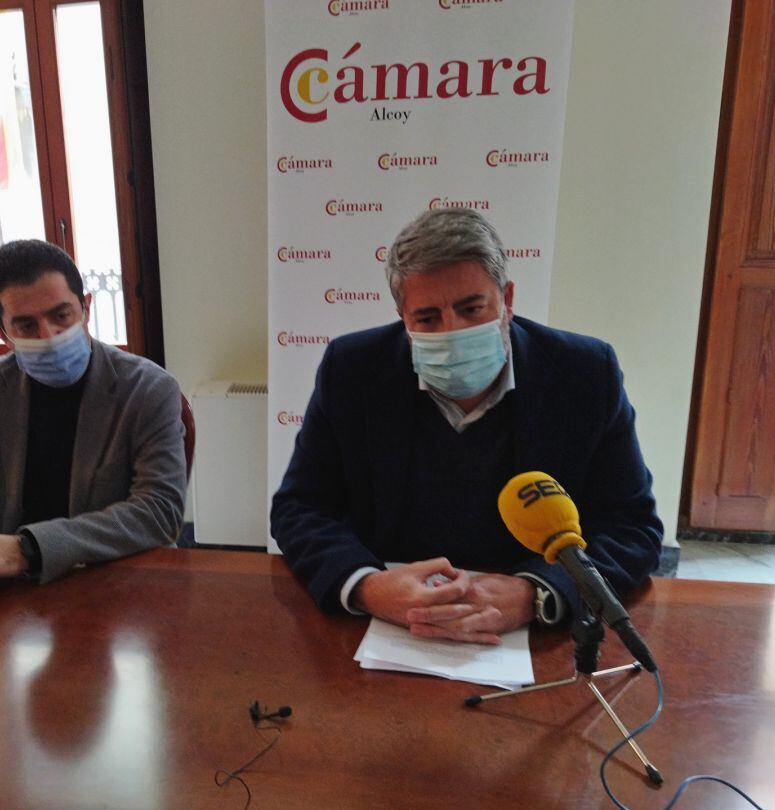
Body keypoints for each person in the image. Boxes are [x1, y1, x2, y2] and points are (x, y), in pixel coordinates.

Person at [270, 209, 661, 644]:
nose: (453, 331)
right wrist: (366, 586)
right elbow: (301, 507)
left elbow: (632, 527)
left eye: (472, 308)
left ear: (507, 299)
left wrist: (537, 591)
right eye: (427, 318)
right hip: (387, 624)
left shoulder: (585, 373)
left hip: (529, 631)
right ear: (402, 315)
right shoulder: (353, 369)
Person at [0, 239, 186, 598]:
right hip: (14, 598)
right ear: (2, 334)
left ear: (86, 307)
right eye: (26, 325)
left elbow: (159, 510)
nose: (49, 335)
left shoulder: (148, 389)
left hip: (118, 588)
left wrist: (27, 549)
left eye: (61, 315)